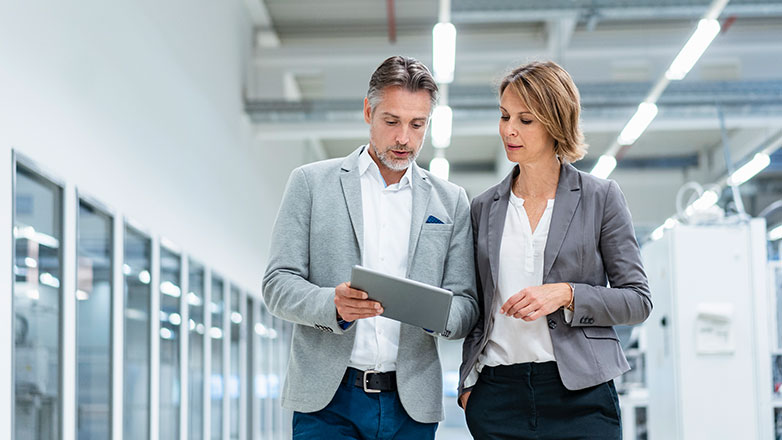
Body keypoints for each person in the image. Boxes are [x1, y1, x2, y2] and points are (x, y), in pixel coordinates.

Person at [263, 55, 478, 440]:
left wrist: (436, 314)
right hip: (327, 403)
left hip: (410, 405)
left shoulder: (451, 201)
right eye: (392, 121)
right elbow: (277, 285)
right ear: (368, 111)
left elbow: (466, 305)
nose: (403, 139)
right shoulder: (311, 184)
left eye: (417, 125)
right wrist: (332, 304)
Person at [458, 61, 652, 439]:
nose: (509, 129)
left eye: (525, 120)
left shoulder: (601, 198)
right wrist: (471, 390)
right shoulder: (483, 208)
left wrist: (566, 294)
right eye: (504, 116)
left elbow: (638, 300)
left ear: (555, 123)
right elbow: (478, 305)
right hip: (498, 396)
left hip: (580, 395)